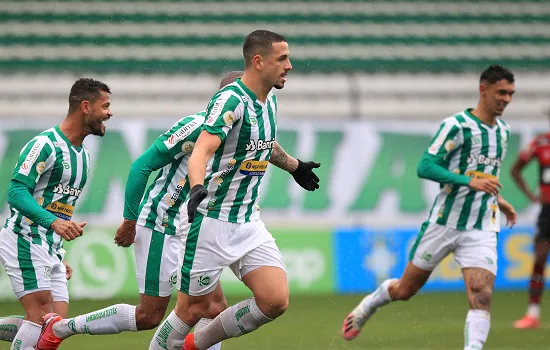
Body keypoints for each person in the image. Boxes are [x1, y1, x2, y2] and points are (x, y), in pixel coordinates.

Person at [33, 72, 245, 350]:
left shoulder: (246, 133)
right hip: (163, 223)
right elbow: (140, 167)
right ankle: (61, 327)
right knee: (149, 315)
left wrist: (294, 165)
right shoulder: (198, 126)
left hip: (192, 227)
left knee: (213, 308)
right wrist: (130, 220)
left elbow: (269, 149)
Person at [148, 29, 321, 350]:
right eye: (282, 58)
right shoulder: (230, 100)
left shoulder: (269, 101)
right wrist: (197, 187)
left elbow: (263, 144)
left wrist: (295, 166)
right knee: (192, 309)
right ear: (258, 62)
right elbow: (201, 150)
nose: (290, 65)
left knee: (275, 300)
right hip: (210, 220)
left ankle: (194, 344)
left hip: (247, 221)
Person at [342, 65, 518, 350]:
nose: (506, 99)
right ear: (483, 89)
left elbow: (483, 174)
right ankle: (371, 302)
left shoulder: (503, 132)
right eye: (501, 92)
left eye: (511, 94)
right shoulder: (457, 126)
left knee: (482, 295)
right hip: (444, 222)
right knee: (405, 290)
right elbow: (425, 166)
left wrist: (498, 200)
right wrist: (466, 182)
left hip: (483, 224)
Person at [0, 78, 112, 350]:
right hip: (23, 238)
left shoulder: (83, 156)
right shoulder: (45, 145)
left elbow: (57, 206)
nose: (110, 112)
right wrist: (54, 225)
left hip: (50, 246)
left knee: (56, 326)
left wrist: (57, 250)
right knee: (40, 319)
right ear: (86, 107)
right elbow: (16, 193)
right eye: (105, 106)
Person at [511, 120, 550, 329]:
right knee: (540, 259)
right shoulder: (541, 142)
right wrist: (531, 196)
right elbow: (515, 170)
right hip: (548, 211)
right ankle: (532, 313)